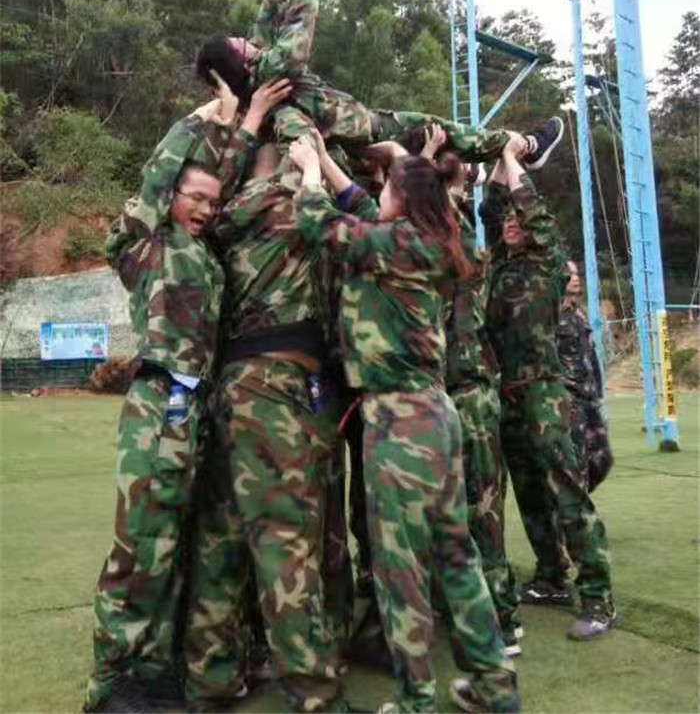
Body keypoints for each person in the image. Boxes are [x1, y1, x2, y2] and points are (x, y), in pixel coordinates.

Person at [290, 134, 520, 714]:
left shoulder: (393, 244)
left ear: (399, 197)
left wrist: (307, 170)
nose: (377, 194)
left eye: (386, 187)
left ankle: (416, 700)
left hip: (398, 422)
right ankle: (494, 685)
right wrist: (327, 159)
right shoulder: (430, 242)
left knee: (400, 568)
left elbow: (321, 223)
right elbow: (360, 207)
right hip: (435, 416)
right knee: (455, 555)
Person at [85, 75, 288, 713]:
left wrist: (249, 125)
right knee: (142, 545)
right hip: (157, 406)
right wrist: (204, 118)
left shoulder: (204, 252)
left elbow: (220, 189)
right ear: (168, 198)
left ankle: (152, 671)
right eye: (192, 198)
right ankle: (112, 682)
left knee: (173, 545)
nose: (203, 208)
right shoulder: (147, 244)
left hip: (194, 411)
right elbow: (157, 177)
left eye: (209, 201)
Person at [184, 137, 347, 713]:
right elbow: (339, 222)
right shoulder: (291, 206)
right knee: (285, 538)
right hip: (273, 389)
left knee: (222, 535)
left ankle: (211, 678)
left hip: (229, 387)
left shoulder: (225, 219)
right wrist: (313, 162)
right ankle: (314, 692)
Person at [194, 0, 561, 170]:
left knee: (431, 143)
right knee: (436, 130)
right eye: (238, 44)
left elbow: (267, 14)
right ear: (241, 64)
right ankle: (528, 147)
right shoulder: (274, 69)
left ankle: (474, 167)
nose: (246, 40)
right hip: (359, 132)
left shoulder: (252, 76)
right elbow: (301, 13)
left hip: (347, 135)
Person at [481, 137, 617, 640]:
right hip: (508, 395)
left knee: (567, 492)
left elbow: (532, 212)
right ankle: (550, 577)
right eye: (508, 220)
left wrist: (513, 158)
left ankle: (599, 595)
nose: (511, 223)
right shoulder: (501, 263)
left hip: (544, 392)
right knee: (529, 494)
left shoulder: (549, 262)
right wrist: (500, 157)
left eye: (519, 219)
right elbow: (493, 206)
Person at [419, 128, 521, 657]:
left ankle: (499, 617)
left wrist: (499, 156)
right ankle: (469, 610)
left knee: (482, 509)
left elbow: (455, 210)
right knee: (455, 510)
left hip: (470, 392)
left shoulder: (466, 251)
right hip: (442, 393)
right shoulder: (439, 251)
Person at [557, 261, 613, 494]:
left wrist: (599, 395)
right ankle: (576, 508)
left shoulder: (579, 314)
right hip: (569, 398)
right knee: (577, 461)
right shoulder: (552, 315)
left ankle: (575, 502)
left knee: (602, 459)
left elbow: (591, 356)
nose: (575, 278)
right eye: (569, 274)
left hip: (588, 397)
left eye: (576, 273)